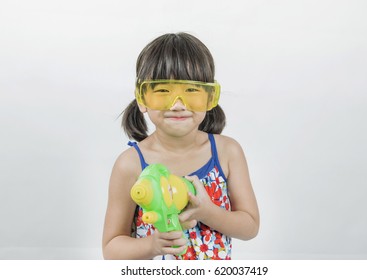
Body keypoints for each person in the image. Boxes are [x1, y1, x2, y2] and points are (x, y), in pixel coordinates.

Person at [102, 32, 259, 260]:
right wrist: (152, 245)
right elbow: (111, 248)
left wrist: (208, 212)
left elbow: (250, 226)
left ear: (209, 97)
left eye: (191, 91)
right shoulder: (131, 164)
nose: (177, 105)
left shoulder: (227, 152)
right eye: (163, 91)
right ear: (142, 99)